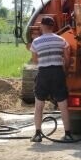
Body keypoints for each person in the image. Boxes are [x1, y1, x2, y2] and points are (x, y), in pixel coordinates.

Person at [29, 15, 73, 143]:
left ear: (42, 26)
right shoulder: (61, 40)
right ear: (53, 26)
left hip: (43, 73)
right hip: (57, 72)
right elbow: (67, 57)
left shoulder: (36, 42)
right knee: (63, 105)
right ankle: (68, 134)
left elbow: (35, 60)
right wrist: (64, 69)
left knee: (39, 105)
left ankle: (37, 134)